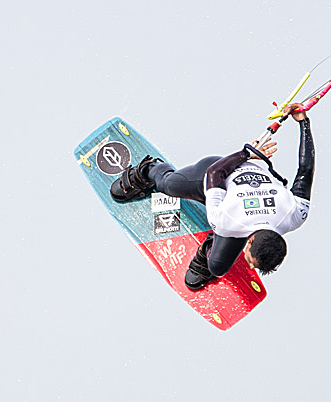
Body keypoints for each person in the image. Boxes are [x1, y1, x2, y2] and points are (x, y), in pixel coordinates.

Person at [110, 103, 315, 290]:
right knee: (168, 184)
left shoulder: (295, 215)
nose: (250, 267)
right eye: (253, 262)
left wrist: (304, 122)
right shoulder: (228, 220)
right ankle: (150, 171)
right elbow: (215, 173)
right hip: (214, 173)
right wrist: (244, 155)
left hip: (230, 202)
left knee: (217, 267)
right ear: (250, 241)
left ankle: (212, 243)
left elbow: (306, 170)